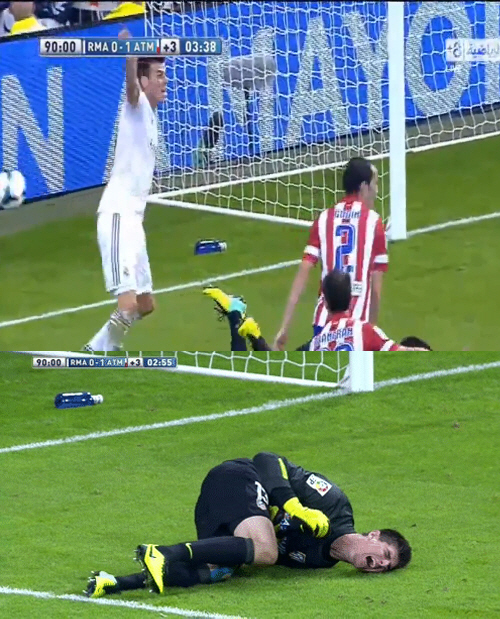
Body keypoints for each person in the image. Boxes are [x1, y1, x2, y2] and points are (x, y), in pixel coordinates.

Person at [85, 452, 412, 597]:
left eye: (386, 567)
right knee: (266, 551)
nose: (380, 564)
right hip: (237, 477)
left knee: (221, 571)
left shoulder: (318, 562)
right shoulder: (333, 505)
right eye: (385, 554)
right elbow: (267, 459)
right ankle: (164, 553)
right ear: (373, 535)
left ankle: (114, 583)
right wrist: (294, 506)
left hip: (219, 513)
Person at [83, 28, 166, 352]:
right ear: (144, 81)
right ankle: (98, 352)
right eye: (158, 75)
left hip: (134, 222)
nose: (165, 81)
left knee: (145, 305)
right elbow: (131, 90)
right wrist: (130, 56)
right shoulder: (137, 106)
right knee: (128, 303)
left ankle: (98, 347)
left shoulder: (152, 119)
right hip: (118, 214)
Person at [274, 157, 389, 351]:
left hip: (324, 324)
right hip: (357, 326)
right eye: (375, 184)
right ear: (364, 187)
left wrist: (285, 327)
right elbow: (376, 289)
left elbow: (303, 274)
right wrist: (372, 330)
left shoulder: (324, 218)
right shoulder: (375, 223)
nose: (376, 191)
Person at [203, 272, 432, 351]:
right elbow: (403, 351)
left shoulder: (317, 341)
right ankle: (241, 320)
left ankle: (240, 320)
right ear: (351, 300)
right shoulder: (365, 331)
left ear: (326, 303)